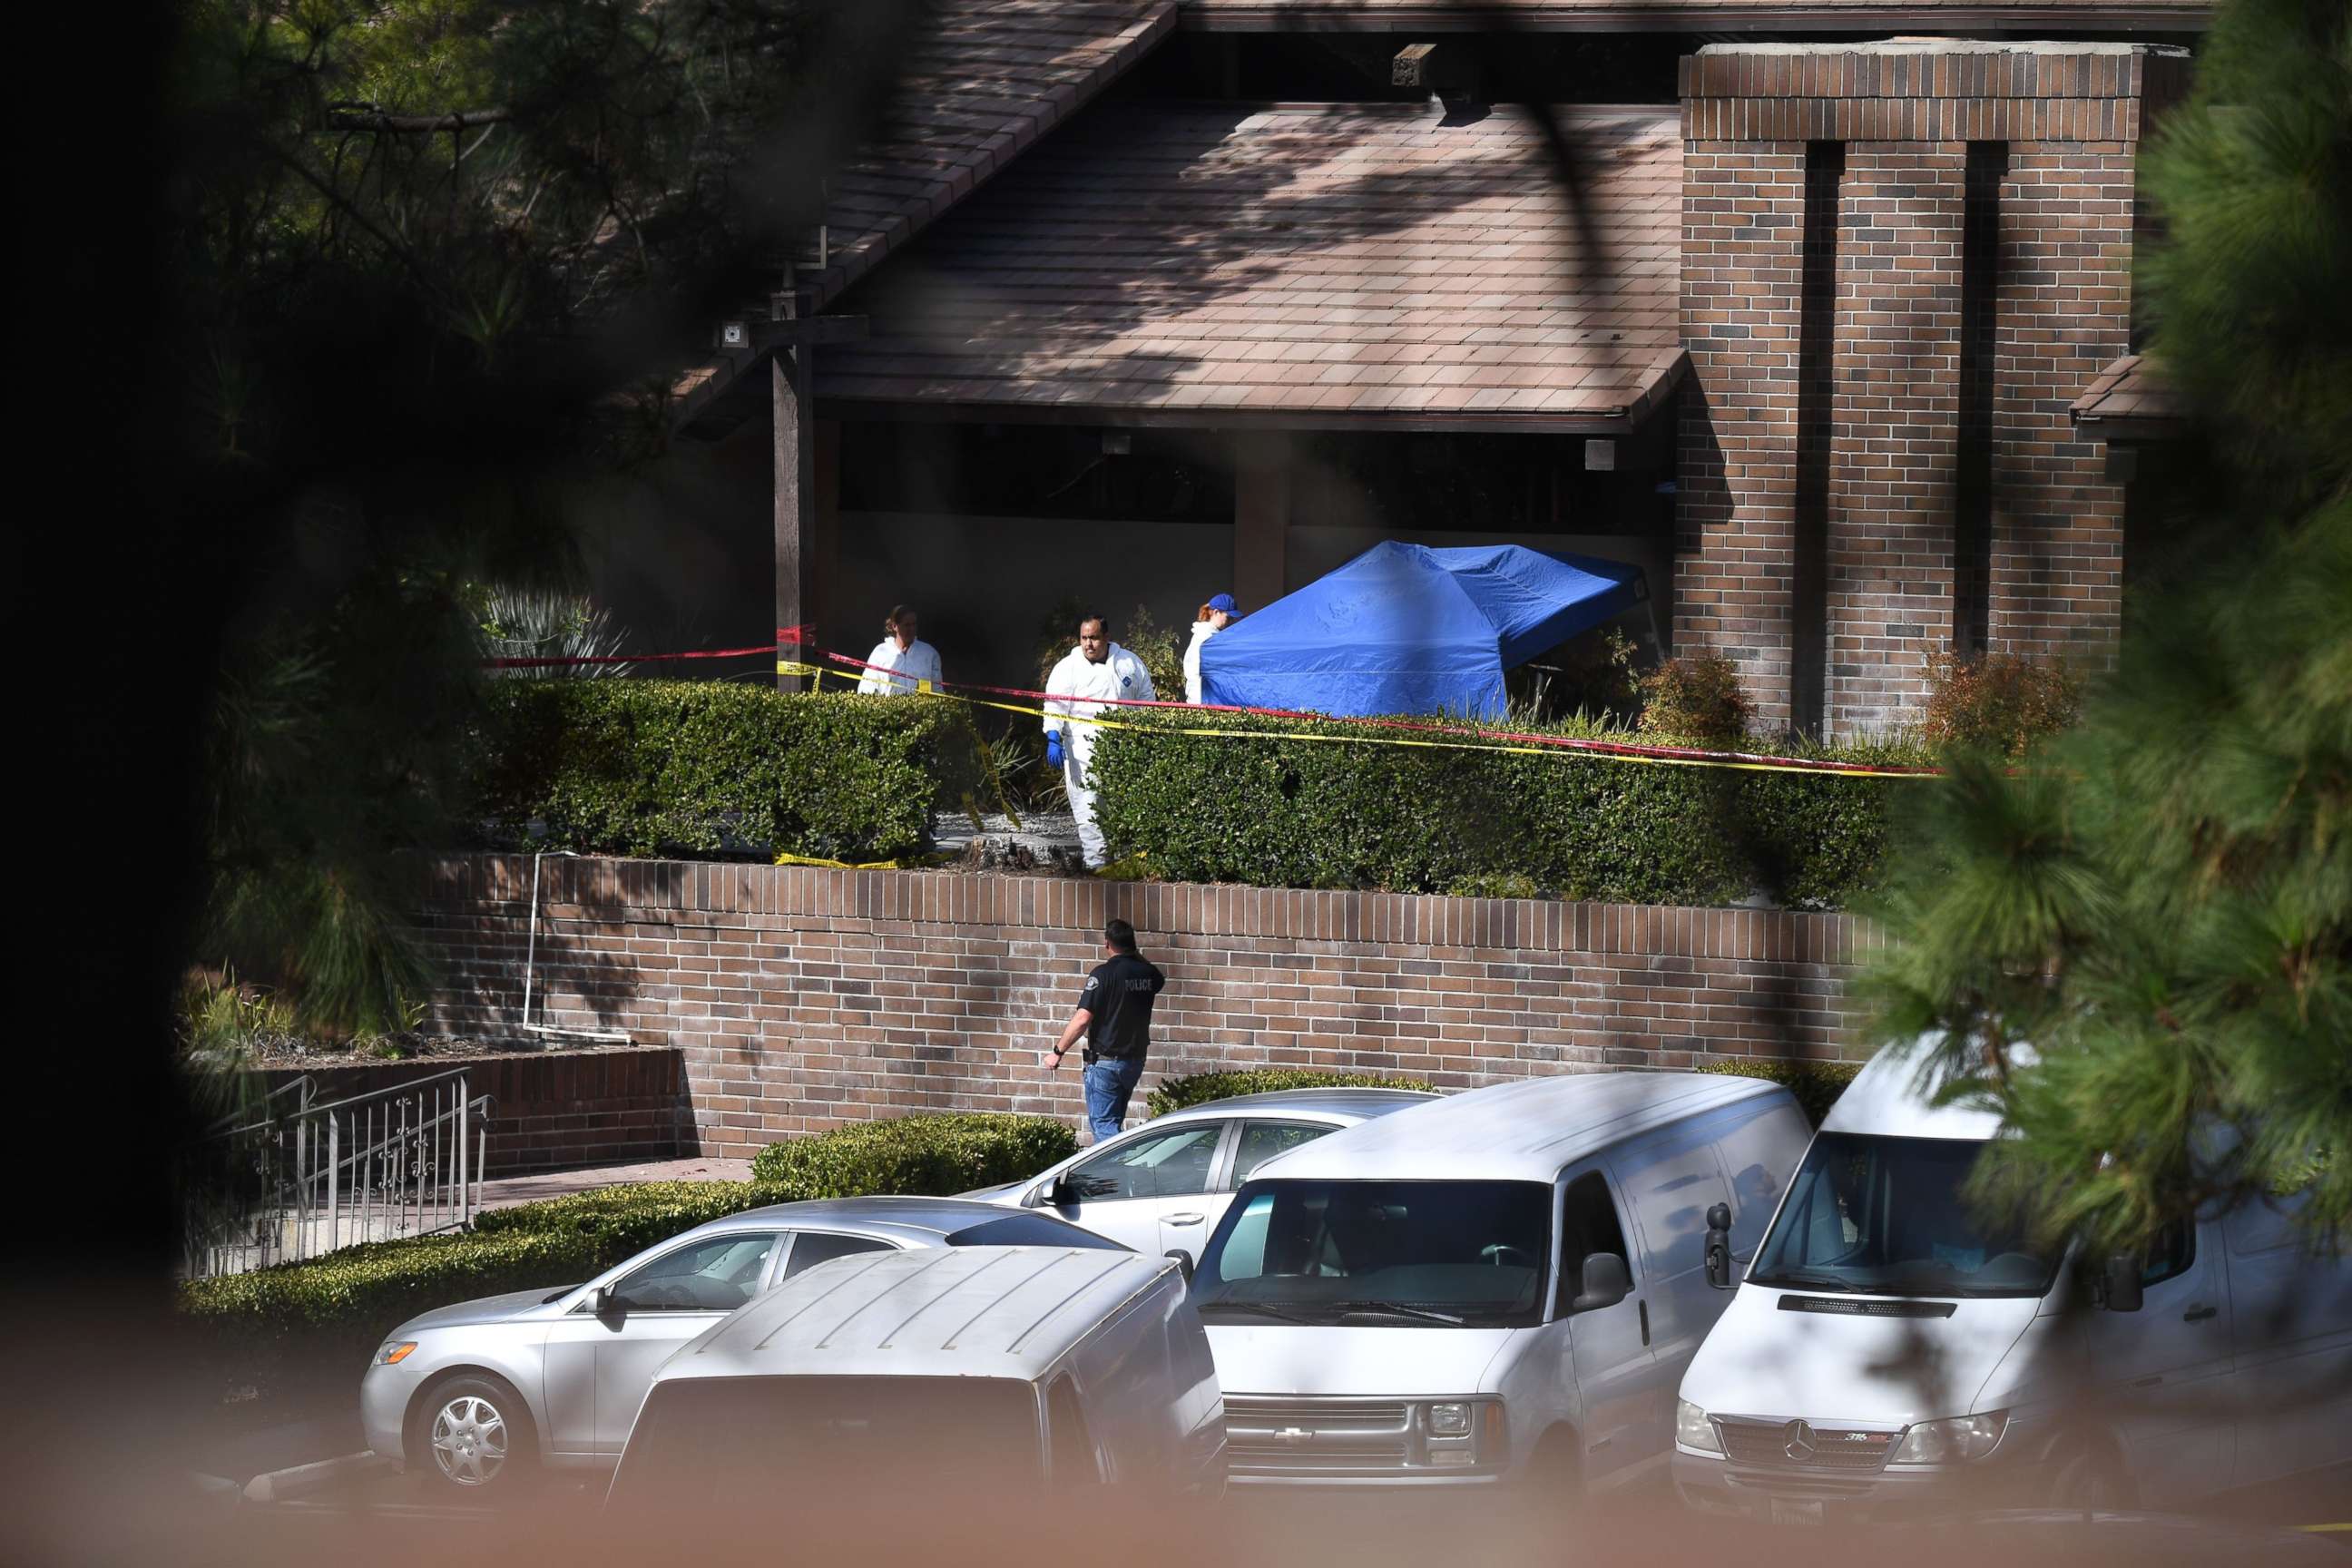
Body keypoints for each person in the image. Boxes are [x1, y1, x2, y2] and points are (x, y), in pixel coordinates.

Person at [1042, 613, 1154, 868]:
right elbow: (1055, 705)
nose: (1088, 644)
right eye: (1084, 638)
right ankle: (1096, 865)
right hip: (1082, 747)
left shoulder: (1129, 663)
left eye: (1093, 638)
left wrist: (1146, 733)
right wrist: (1053, 737)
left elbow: (1147, 698)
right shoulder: (1067, 668)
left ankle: (1128, 863)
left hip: (1125, 746)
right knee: (1089, 807)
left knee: (1123, 806)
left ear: (1106, 637)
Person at [1040, 918, 1166, 1142]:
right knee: (1113, 1123)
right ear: (1132, 943)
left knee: (1104, 1130)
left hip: (1107, 1063)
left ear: (1107, 943)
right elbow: (1158, 977)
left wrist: (1057, 1052)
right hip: (1134, 1061)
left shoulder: (1103, 974)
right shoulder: (1147, 973)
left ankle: (1121, 1174)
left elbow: (1082, 1019)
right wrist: (1133, 953)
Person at [855, 605, 942, 695]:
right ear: (894, 626)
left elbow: (937, 690)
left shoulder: (929, 653)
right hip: (888, 708)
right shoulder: (880, 652)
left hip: (921, 709)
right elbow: (867, 687)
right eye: (907, 625)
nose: (911, 629)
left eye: (914, 624)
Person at [1181, 593, 1239, 706]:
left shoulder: (1206, 634)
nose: (1230, 621)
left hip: (1202, 697)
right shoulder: (1207, 637)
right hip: (1203, 699)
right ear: (1216, 612)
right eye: (1228, 617)